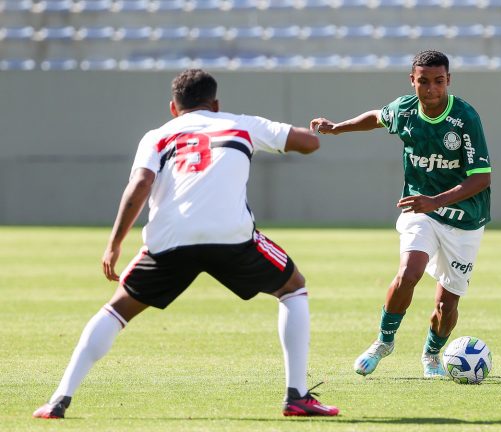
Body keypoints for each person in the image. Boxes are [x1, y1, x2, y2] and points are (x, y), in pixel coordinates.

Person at [33, 69, 339, 418]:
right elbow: (309, 143)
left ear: (173, 108)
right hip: (230, 236)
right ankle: (296, 396)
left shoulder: (158, 135)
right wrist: (305, 133)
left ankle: (59, 399)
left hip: (170, 239)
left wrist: (114, 243)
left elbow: (141, 183)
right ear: (216, 103)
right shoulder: (240, 123)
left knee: (116, 309)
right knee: (293, 287)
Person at [310, 50, 492, 378]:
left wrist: (436, 200)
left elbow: (482, 178)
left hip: (464, 219)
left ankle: (432, 355)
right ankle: (383, 342)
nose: (431, 88)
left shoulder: (465, 118)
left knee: (446, 305)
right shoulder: (405, 110)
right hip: (420, 209)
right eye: (423, 81)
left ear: (448, 80)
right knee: (409, 272)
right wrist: (337, 128)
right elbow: (376, 117)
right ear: (413, 81)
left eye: (439, 81)